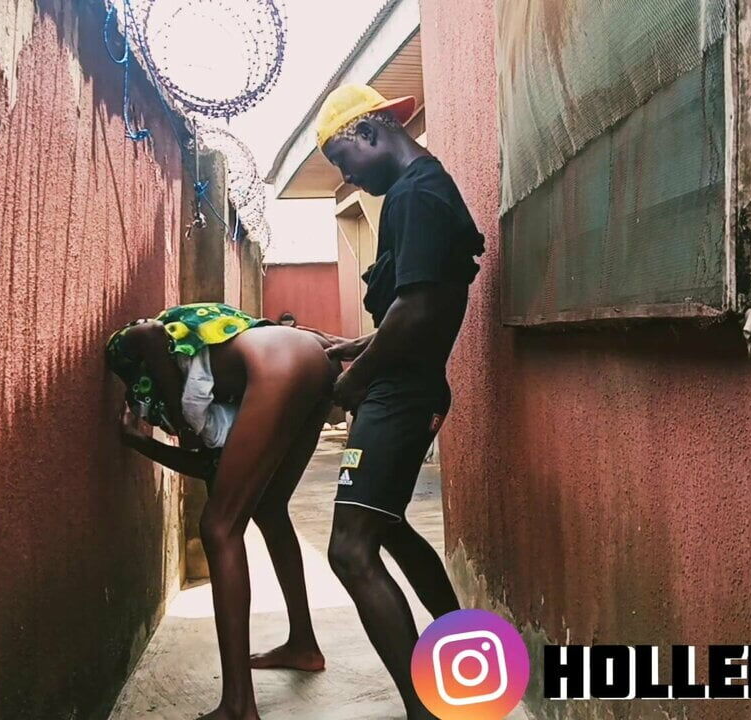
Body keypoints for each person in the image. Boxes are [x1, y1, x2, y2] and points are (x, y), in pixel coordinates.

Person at [312, 84, 486, 719]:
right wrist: (356, 345)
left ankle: (425, 708)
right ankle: (467, 657)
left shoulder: (417, 194)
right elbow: (419, 307)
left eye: (343, 160)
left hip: (400, 396)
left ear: (369, 131)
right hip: (407, 386)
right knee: (386, 524)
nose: (348, 177)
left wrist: (353, 380)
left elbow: (415, 314)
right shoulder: (420, 191)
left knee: (349, 549)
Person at [105, 302, 338, 720]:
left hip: (282, 361)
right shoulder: (217, 381)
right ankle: (303, 645)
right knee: (269, 507)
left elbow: (146, 333)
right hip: (314, 360)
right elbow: (213, 465)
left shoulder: (135, 354)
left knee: (217, 528)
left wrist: (178, 423)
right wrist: (142, 442)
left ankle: (238, 706)